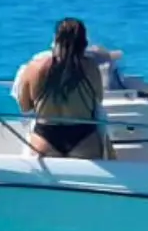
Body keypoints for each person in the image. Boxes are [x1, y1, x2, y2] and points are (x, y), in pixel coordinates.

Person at [16, 17, 106, 159]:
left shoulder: (34, 67)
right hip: (83, 135)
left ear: (55, 40)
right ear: (84, 43)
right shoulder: (91, 68)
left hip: (45, 136)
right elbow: (98, 100)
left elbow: (25, 107)